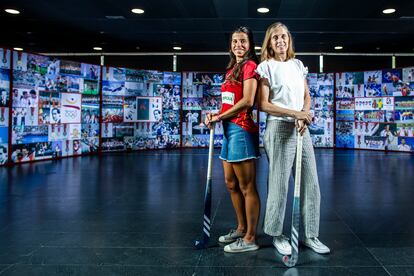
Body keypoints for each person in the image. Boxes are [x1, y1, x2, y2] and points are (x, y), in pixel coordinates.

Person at [256, 22, 330, 256]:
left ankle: (310, 235)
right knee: (279, 184)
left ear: (289, 40)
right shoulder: (266, 67)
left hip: (300, 128)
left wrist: (304, 115)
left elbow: (306, 96)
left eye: (284, 37)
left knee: (312, 183)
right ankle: (277, 234)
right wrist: (294, 113)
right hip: (279, 129)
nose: (280, 41)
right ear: (270, 42)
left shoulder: (297, 65)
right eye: (275, 37)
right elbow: (264, 104)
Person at [204, 26, 261, 253]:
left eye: (243, 41)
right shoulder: (231, 69)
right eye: (235, 41)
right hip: (227, 129)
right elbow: (228, 103)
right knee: (230, 183)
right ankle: (240, 227)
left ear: (250, 44)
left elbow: (247, 101)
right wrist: (214, 115)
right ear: (231, 45)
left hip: (242, 129)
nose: (239, 45)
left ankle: (250, 238)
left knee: (247, 186)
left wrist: (220, 116)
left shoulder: (250, 66)